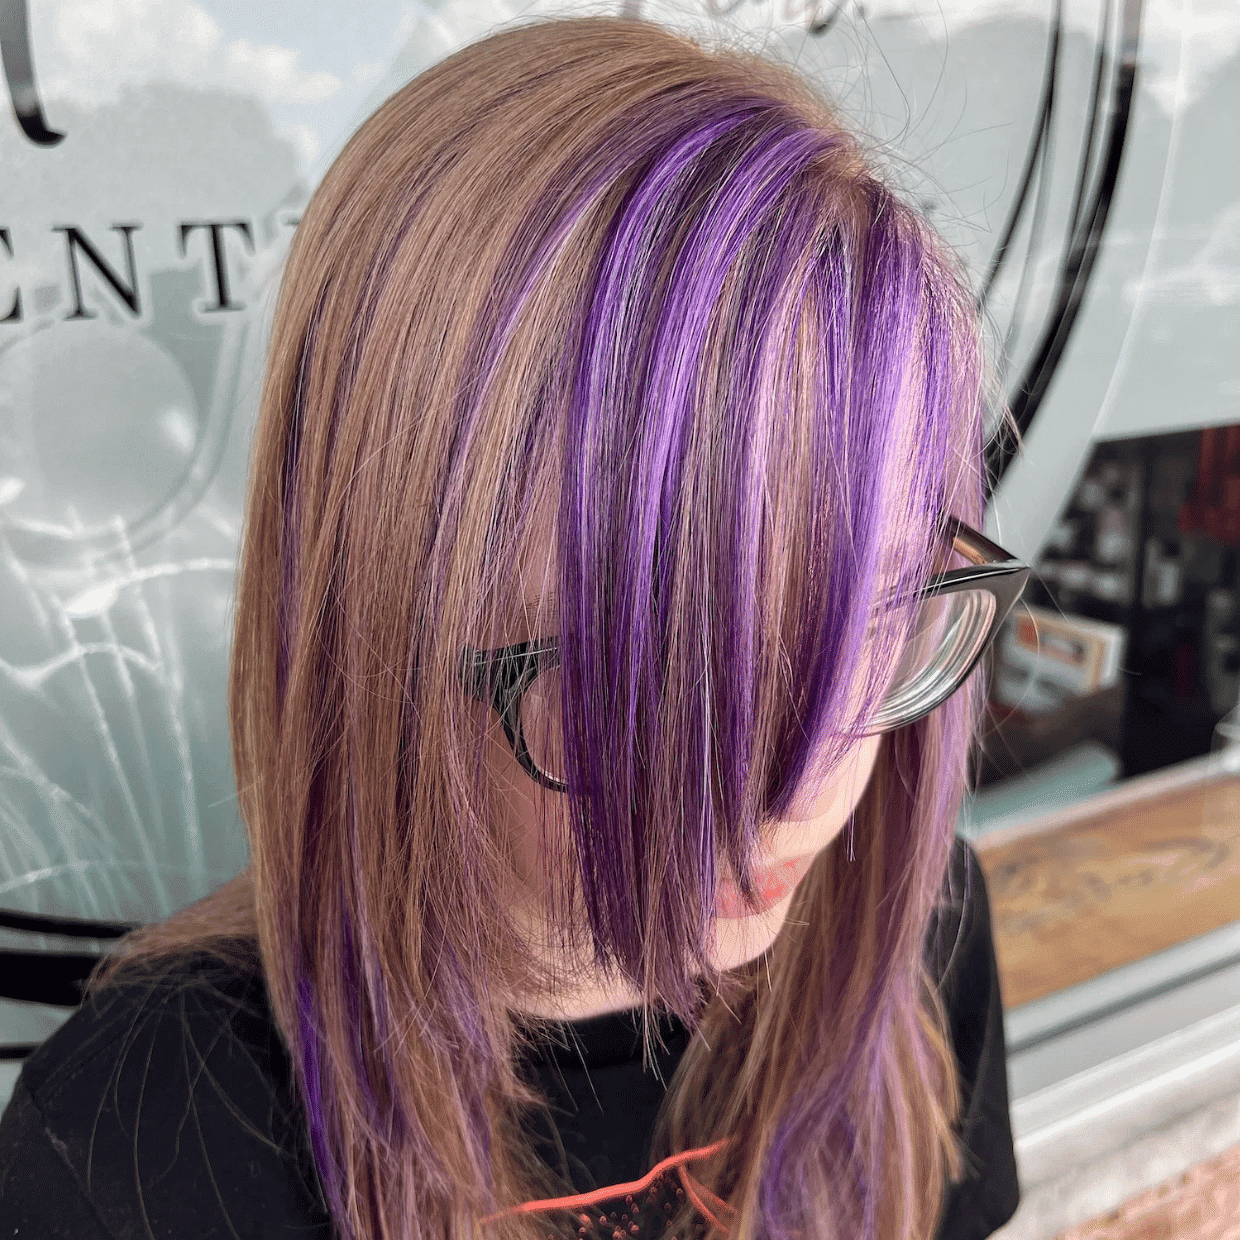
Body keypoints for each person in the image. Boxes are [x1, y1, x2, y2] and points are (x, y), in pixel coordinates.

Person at [0, 15, 1026, 1240]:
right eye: (639, 676)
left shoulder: (907, 933)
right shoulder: (146, 1137)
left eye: (869, 621)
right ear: (374, 641)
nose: (795, 781)